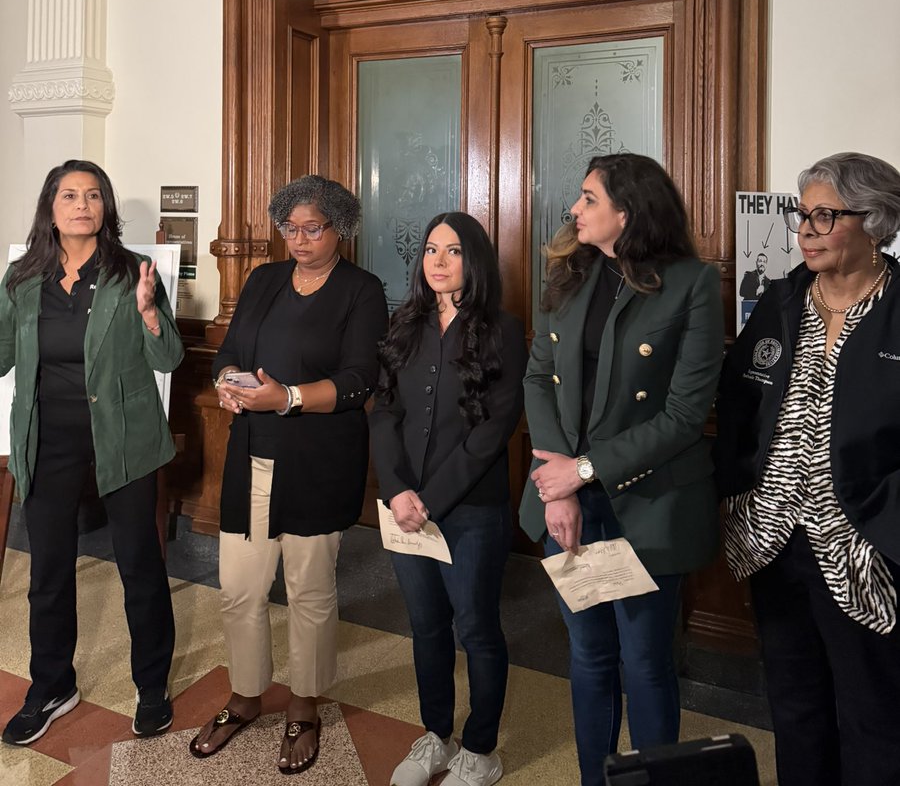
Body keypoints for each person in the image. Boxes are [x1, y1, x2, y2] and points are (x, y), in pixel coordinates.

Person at [520, 153, 723, 785]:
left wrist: (581, 471)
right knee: (588, 655)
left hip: (647, 502)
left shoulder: (692, 284)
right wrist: (559, 484)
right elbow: (538, 379)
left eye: (587, 199)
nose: (574, 210)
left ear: (627, 212)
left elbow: (686, 415)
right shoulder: (566, 274)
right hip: (568, 499)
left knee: (646, 662)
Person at [190, 174, 387, 774]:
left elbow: (360, 380)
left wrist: (290, 398)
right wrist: (227, 383)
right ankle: (247, 695)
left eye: (314, 229)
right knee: (240, 588)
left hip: (318, 461)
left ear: (341, 229)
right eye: (290, 228)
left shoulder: (363, 290)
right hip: (253, 455)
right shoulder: (263, 279)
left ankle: (305, 703)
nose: (299, 240)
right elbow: (230, 351)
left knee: (309, 591)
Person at [716, 152, 900, 786]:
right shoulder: (780, 300)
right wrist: (739, 495)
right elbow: (738, 405)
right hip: (774, 541)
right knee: (794, 708)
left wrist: (890, 528)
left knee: (874, 716)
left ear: (874, 222)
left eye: (826, 215)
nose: (808, 230)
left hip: (864, 552)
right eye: (804, 216)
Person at [0, 159, 183, 746]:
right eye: (70, 195)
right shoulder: (22, 279)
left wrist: (152, 313)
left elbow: (170, 360)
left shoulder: (133, 273)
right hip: (45, 437)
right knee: (47, 571)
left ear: (105, 209)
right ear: (49, 207)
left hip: (122, 438)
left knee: (140, 566)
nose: (83, 204)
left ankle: (152, 686)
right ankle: (51, 685)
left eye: (94, 195)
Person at [370, 212, 526, 786]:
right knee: (426, 625)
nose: (437, 261)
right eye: (431, 250)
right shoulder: (404, 324)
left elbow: (493, 431)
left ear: (475, 260)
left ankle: (481, 749)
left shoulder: (503, 330)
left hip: (471, 510)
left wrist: (428, 499)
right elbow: (385, 412)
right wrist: (395, 492)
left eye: (453, 251)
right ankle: (435, 734)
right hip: (405, 507)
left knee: (477, 627)